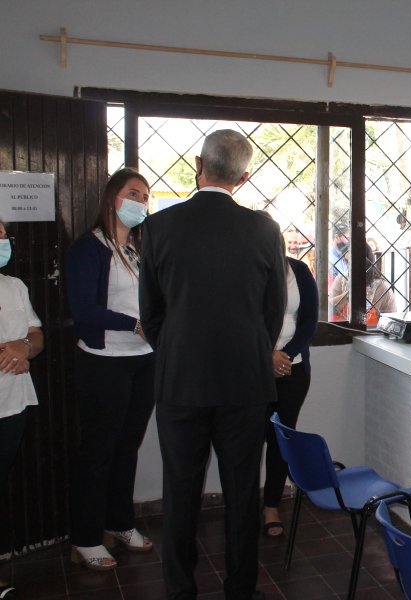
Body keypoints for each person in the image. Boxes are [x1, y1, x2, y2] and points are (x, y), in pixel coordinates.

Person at [140, 130, 286, 600]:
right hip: (244, 382)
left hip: (181, 381)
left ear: (198, 166)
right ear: (243, 177)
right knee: (242, 493)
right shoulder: (264, 229)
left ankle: (180, 591)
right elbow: (273, 311)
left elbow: (151, 314)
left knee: (180, 492)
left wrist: (178, 350)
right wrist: (248, 350)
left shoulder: (159, 226)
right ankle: (240, 590)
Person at [65, 168, 155, 570]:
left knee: (127, 448)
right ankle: (85, 538)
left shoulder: (138, 249)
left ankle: (119, 523)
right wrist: (133, 324)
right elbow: (83, 309)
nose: (140, 202)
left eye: (145, 196)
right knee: (98, 452)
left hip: (143, 360)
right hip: (104, 362)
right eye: (133, 193)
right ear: (111, 198)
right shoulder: (89, 248)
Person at [256, 212, 319, 538]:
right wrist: (266, 354)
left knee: (280, 440)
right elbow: (240, 320)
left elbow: (309, 319)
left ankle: (271, 506)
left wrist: (286, 355)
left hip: (292, 370)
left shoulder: (299, 270)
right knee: (248, 440)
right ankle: (243, 506)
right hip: (254, 369)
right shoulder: (244, 271)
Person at [0, 219, 44, 599]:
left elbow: (36, 335)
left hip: (12, 402)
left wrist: (24, 349)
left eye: (2, 233)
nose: (2, 240)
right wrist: (9, 352)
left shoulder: (14, 286)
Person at [331, 245, 397, 320]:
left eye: (353, 262)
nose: (349, 266)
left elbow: (392, 321)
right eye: (346, 261)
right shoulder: (341, 279)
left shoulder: (382, 288)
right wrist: (349, 294)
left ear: (367, 262)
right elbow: (326, 308)